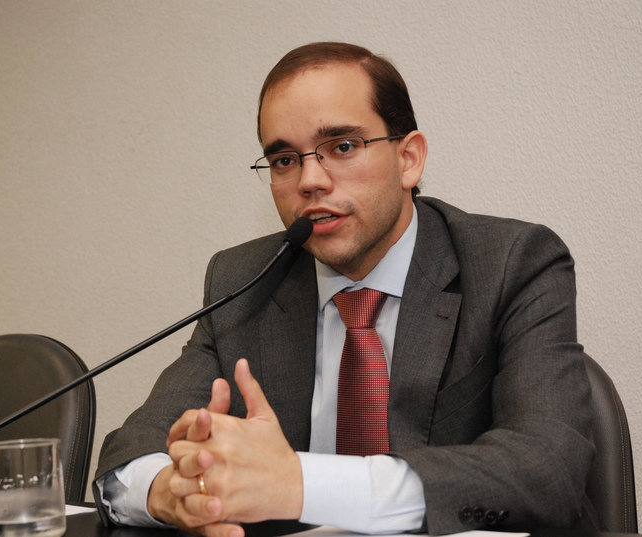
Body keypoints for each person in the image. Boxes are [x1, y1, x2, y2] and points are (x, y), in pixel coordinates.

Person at [94, 42, 595, 536]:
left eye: (342, 147)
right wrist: (169, 493)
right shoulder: (244, 280)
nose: (310, 180)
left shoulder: (511, 262)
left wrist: (299, 484)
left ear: (409, 158)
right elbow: (129, 454)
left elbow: (548, 471)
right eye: (284, 159)